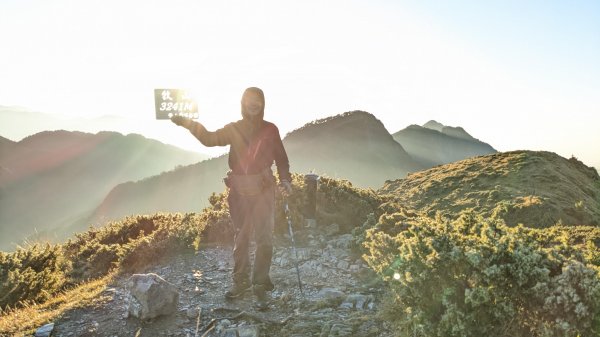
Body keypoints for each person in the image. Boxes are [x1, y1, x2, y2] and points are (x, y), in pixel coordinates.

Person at [171, 87, 292, 310]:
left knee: (265, 238)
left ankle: (260, 284)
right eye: (249, 100)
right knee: (242, 237)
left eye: (257, 100)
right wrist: (186, 122)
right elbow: (208, 139)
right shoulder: (233, 128)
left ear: (262, 103)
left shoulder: (270, 129)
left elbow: (282, 160)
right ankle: (241, 283)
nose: (253, 104)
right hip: (239, 192)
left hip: (264, 190)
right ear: (242, 103)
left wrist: (286, 181)